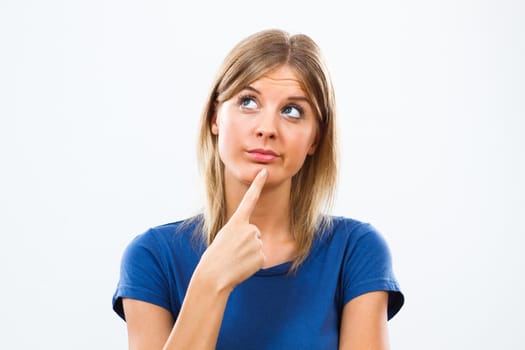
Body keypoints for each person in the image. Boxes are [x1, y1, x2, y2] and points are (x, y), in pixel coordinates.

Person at [112, 28, 404, 349]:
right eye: (248, 102)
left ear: (314, 139)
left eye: (292, 111)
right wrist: (210, 282)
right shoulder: (152, 257)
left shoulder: (355, 252)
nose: (266, 129)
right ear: (215, 118)